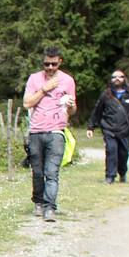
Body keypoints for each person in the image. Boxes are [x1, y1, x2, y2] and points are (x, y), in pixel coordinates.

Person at [22, 46, 77, 222]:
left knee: (51, 172)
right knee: (37, 172)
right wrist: (44, 89)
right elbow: (27, 103)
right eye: (47, 64)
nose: (50, 67)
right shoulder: (34, 79)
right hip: (36, 132)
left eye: (53, 64)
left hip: (56, 132)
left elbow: (73, 110)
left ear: (60, 61)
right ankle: (38, 202)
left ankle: (50, 207)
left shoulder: (68, 81)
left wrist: (70, 106)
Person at [87, 68, 129, 183]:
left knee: (124, 154)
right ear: (111, 80)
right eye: (114, 77)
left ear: (125, 79)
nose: (117, 79)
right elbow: (97, 111)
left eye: (120, 77)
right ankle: (110, 176)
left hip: (126, 130)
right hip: (109, 129)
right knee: (111, 151)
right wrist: (91, 126)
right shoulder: (106, 95)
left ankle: (122, 173)